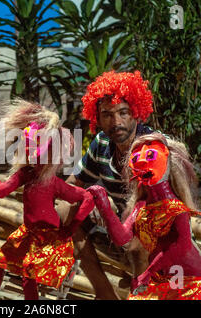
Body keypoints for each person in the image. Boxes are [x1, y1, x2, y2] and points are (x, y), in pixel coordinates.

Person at [0, 100, 95, 300]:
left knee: (28, 271)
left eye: (37, 148)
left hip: (50, 240)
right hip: (28, 235)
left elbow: (87, 197)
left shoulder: (52, 183)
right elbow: (0, 191)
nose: (32, 153)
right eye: (29, 147)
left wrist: (70, 229)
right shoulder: (26, 173)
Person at [89, 132, 201, 300]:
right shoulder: (141, 207)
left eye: (151, 155)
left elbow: (182, 246)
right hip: (160, 280)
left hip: (191, 284)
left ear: (168, 161)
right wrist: (104, 205)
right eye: (135, 158)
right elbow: (122, 238)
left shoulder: (177, 209)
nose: (141, 161)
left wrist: (148, 273)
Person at [63, 70, 155, 299]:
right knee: (64, 213)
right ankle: (105, 295)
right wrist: (85, 199)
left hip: (152, 221)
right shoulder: (102, 142)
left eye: (123, 112)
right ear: (97, 118)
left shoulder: (150, 147)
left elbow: (152, 205)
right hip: (118, 223)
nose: (116, 122)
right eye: (107, 115)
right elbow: (75, 182)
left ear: (136, 111)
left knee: (137, 247)